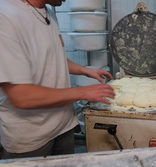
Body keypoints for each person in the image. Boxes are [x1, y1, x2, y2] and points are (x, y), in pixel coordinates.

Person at [0, 0, 115, 159]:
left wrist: (84, 70)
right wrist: (82, 92)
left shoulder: (49, 13)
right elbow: (21, 97)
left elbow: (52, 57)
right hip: (31, 137)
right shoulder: (6, 17)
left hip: (64, 126)